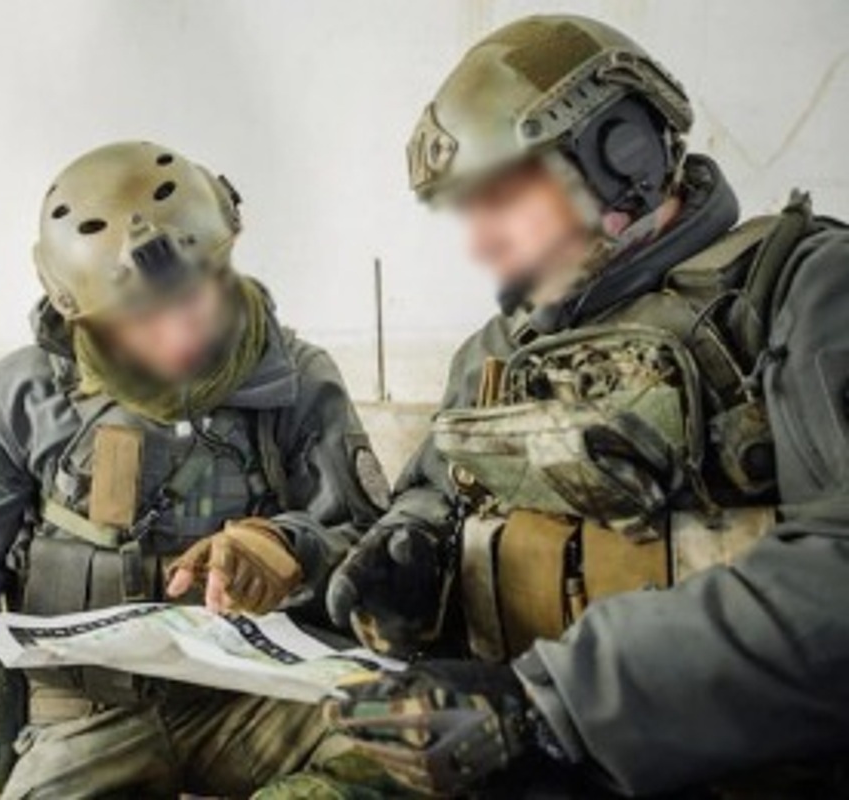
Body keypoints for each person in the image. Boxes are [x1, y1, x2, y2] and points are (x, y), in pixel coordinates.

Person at [312, 13, 849, 799]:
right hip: (511, 761)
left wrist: (557, 706)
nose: (481, 244)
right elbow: (435, 490)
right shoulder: (499, 350)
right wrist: (409, 548)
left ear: (618, 156)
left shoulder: (804, 293)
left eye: (501, 200)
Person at [0, 140, 390, 799]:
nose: (179, 333)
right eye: (141, 319)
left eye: (195, 297)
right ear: (84, 316)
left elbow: (369, 553)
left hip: (254, 700)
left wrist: (288, 546)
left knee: (400, 746)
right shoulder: (25, 395)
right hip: (85, 716)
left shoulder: (297, 379)